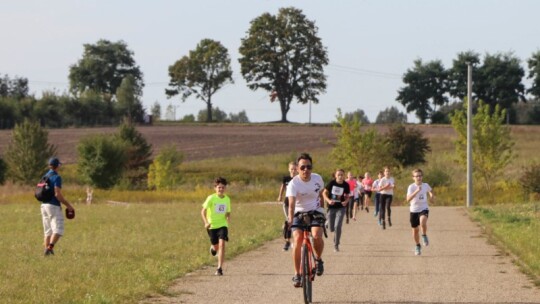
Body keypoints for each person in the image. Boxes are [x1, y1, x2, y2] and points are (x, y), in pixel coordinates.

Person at [286, 153, 325, 287]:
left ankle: (319, 260)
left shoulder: (317, 179)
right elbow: (291, 204)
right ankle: (297, 274)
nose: (305, 170)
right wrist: (290, 220)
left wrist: (323, 212)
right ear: (297, 169)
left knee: (316, 235)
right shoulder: (293, 183)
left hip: (315, 211)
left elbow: (321, 196)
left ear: (311, 168)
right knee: (297, 239)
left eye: (308, 167)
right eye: (302, 167)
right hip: (298, 213)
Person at [40, 157, 75, 256]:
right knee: (58, 230)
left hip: (43, 205)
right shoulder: (56, 177)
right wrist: (68, 205)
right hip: (53, 206)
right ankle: (49, 248)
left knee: (48, 231)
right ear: (58, 166)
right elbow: (57, 194)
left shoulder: (45, 176)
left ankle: (47, 253)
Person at [201, 177, 231, 276]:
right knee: (216, 246)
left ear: (225, 188)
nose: (221, 189)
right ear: (215, 188)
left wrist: (228, 218)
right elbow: (203, 211)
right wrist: (206, 222)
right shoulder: (211, 198)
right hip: (212, 226)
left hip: (222, 225)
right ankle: (213, 248)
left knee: (222, 244)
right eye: (219, 187)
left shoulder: (227, 199)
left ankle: (219, 268)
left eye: (222, 187)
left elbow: (227, 212)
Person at [406, 168, 434, 256]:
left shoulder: (425, 185)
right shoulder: (411, 187)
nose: (419, 178)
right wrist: (416, 191)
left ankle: (424, 235)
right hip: (413, 210)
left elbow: (430, 190)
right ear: (413, 177)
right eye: (417, 176)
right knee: (415, 231)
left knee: (422, 222)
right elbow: (408, 199)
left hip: (424, 208)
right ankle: (417, 245)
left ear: (422, 177)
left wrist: (431, 195)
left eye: (420, 176)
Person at [322, 169, 350, 252]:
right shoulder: (332, 183)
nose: (340, 176)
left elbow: (348, 196)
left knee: (337, 226)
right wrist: (328, 201)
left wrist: (346, 201)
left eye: (342, 175)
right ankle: (327, 222)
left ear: (344, 176)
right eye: (338, 175)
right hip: (331, 208)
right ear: (335, 176)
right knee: (331, 228)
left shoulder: (346, 185)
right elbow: (324, 193)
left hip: (341, 207)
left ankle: (336, 245)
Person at [277, 161, 298, 251]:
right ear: (289, 169)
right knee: (289, 222)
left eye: (294, 169)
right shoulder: (286, 178)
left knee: (295, 222)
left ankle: (296, 241)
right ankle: (287, 242)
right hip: (287, 203)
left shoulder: (299, 179)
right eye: (291, 169)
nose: (293, 171)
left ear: (297, 169)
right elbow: (282, 187)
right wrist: (280, 196)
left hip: (297, 204)